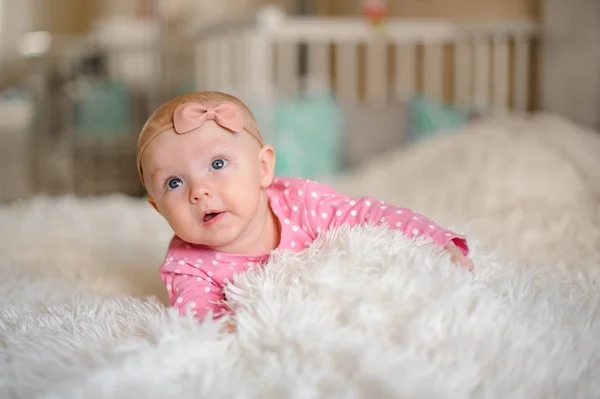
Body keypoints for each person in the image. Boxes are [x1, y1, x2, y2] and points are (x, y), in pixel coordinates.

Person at [136, 91, 474, 330]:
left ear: (264, 168)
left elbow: (371, 215)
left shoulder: (301, 202)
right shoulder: (187, 266)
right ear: (157, 208)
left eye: (218, 163)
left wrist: (436, 240)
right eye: (175, 183)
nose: (199, 191)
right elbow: (199, 318)